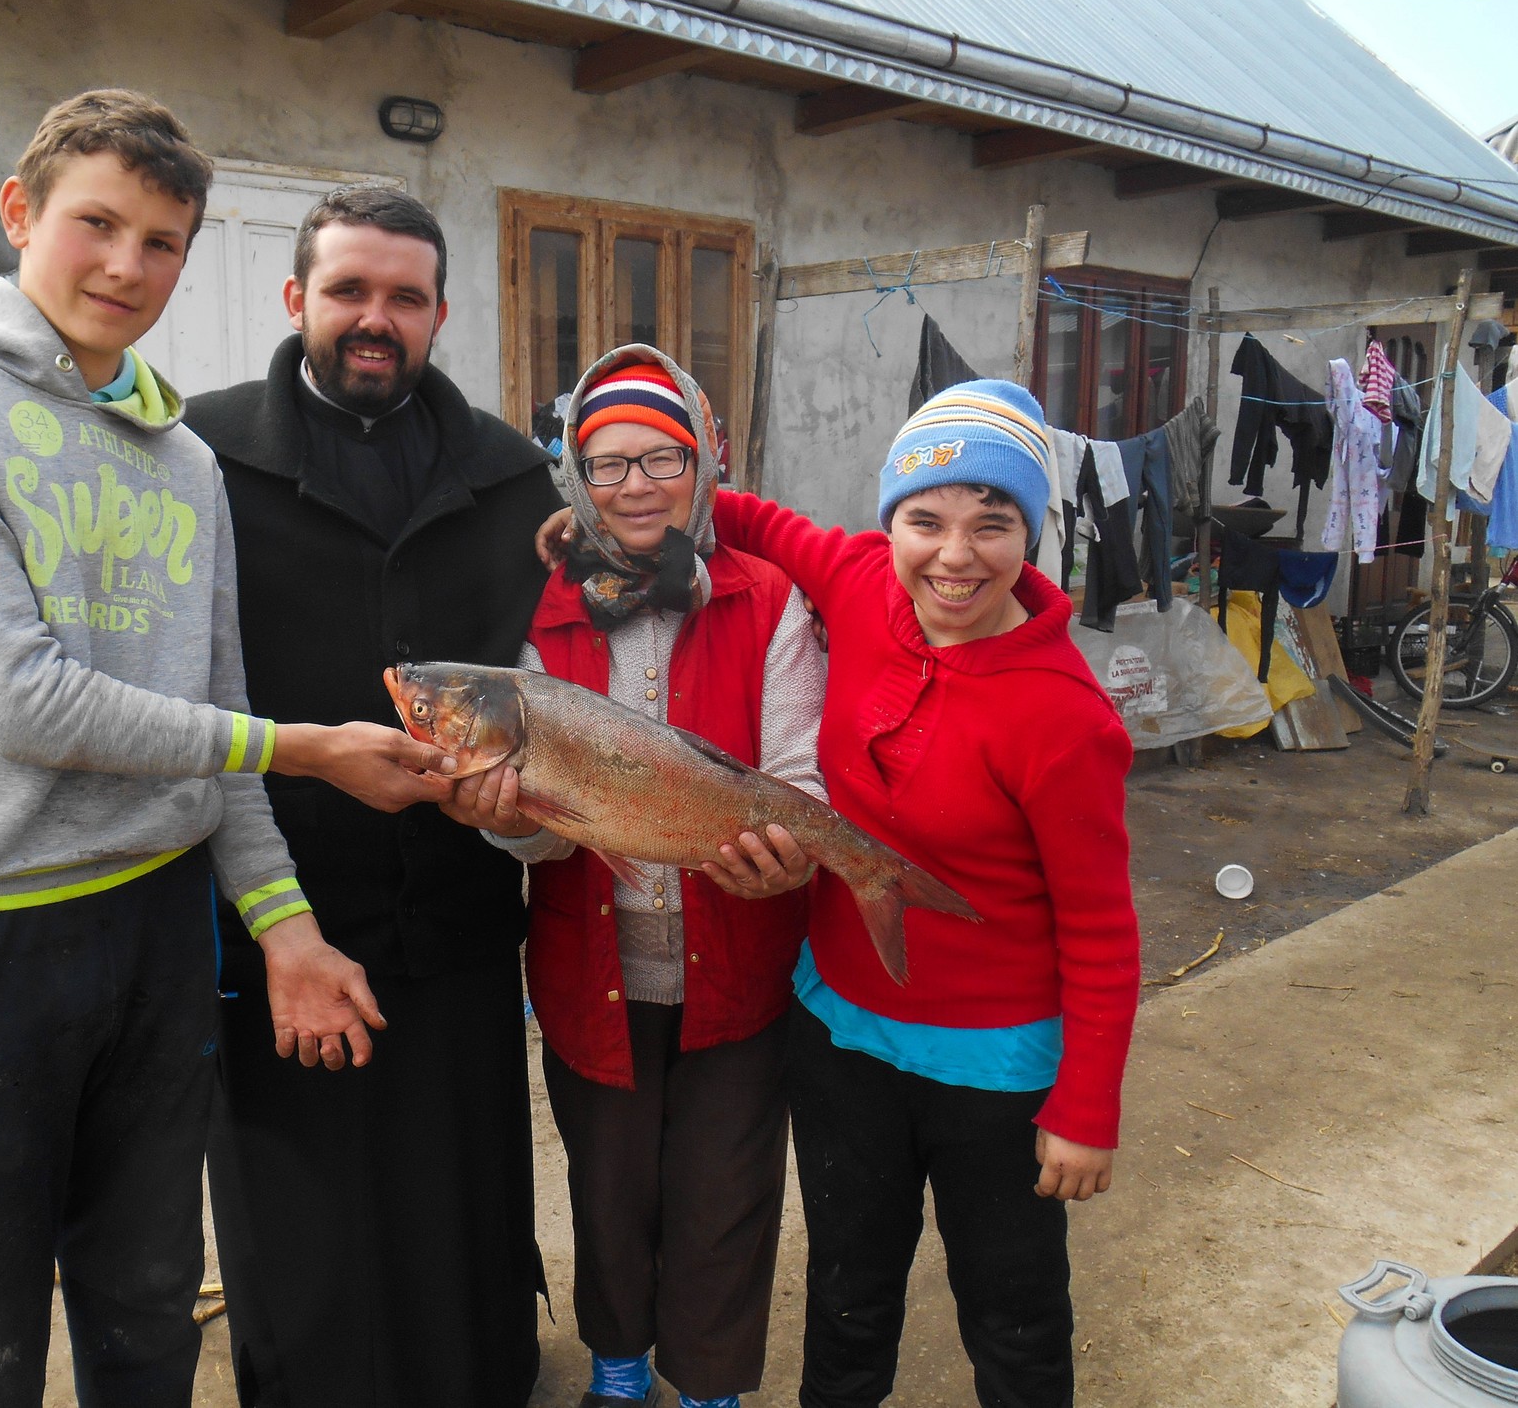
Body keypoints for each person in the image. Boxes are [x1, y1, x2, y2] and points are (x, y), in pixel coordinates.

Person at [0, 91, 449, 1406]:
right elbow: (24, 704)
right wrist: (307, 747)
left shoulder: (180, 462)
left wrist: (282, 925)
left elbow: (204, 710)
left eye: (163, 240)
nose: (126, 265)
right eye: (95, 223)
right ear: (19, 214)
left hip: (159, 934)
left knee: (149, 1313)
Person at [544, 378, 1138, 1408]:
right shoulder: (861, 580)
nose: (955, 554)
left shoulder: (1065, 715)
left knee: (1013, 1302)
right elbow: (742, 509)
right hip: (840, 1037)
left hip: (994, 1067)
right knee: (848, 1290)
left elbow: (1100, 925)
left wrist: (1085, 1104)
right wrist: (610, 506)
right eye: (926, 519)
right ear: (891, 524)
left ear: (1033, 534)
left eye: (993, 523)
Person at [181, 185, 561, 1408]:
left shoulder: (510, 479)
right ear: (296, 299)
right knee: (303, 1214)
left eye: (404, 295)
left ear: (441, 311)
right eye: (348, 290)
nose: (374, 318)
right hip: (277, 910)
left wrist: (520, 804)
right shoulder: (198, 452)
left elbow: (577, 646)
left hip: (454, 915)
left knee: (456, 1195)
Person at [447, 346, 823, 1408]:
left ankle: (705, 1382)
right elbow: (545, 829)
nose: (636, 485)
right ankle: (618, 1365)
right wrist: (509, 827)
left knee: (725, 1192)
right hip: (588, 974)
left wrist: (777, 864)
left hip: (740, 966)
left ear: (703, 463)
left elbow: (797, 775)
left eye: (662, 456)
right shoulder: (542, 616)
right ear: (575, 477)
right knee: (610, 1190)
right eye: (607, 464)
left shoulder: (765, 599)